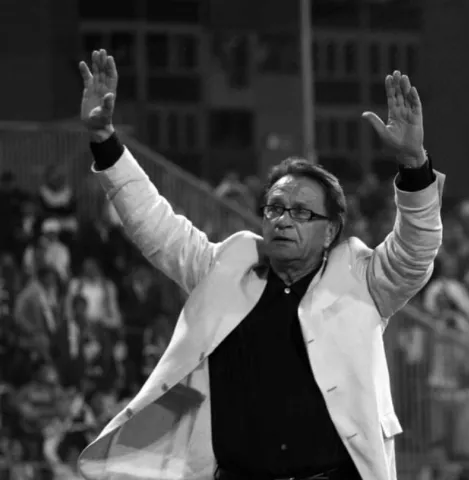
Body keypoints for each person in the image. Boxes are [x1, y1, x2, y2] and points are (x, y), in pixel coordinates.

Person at [76, 50, 443, 480]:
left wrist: (414, 165)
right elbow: (156, 225)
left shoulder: (363, 279)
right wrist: (105, 141)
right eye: (275, 208)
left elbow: (416, 250)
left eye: (301, 212)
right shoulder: (225, 267)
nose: (283, 220)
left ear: (330, 231)